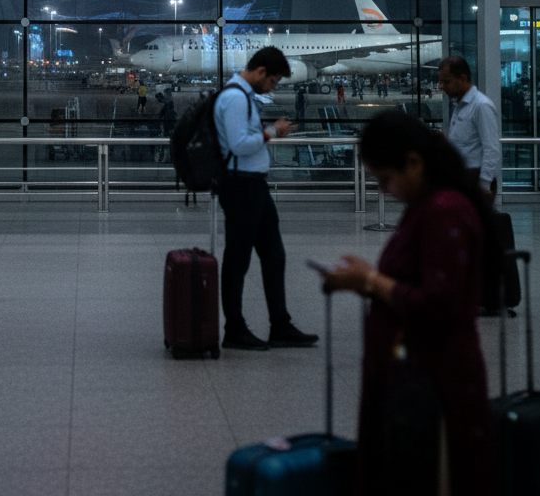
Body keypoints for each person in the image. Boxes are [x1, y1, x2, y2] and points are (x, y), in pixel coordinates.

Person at [320, 111, 501, 496]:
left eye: (386, 179)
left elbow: (440, 304)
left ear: (414, 163)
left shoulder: (444, 210)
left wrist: (371, 280)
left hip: (434, 387)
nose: (384, 191)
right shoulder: (428, 207)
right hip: (413, 379)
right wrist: (369, 284)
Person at [214, 46, 319, 351]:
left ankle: (280, 325)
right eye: (273, 81)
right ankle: (234, 328)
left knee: (274, 254)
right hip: (240, 186)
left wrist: (266, 131)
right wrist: (273, 131)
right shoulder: (235, 97)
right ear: (261, 72)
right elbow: (238, 145)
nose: (273, 87)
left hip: (253, 185)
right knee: (238, 258)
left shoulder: (243, 96)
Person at [438, 56, 502, 197]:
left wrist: (484, 184)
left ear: (462, 78)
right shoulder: (460, 106)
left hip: (475, 179)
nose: (441, 87)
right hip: (462, 177)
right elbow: (466, 144)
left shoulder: (481, 106)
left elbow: (491, 148)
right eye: (440, 82)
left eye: (446, 82)